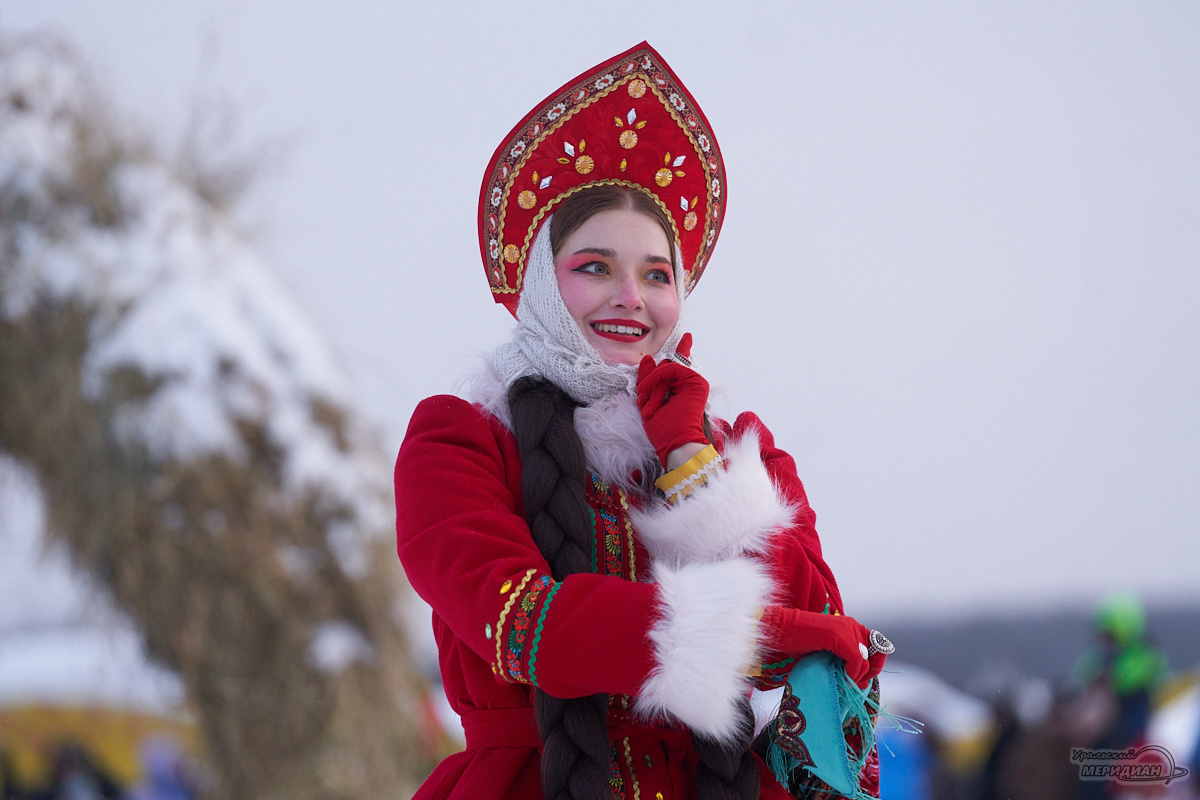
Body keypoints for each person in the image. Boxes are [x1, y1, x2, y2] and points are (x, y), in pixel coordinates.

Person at [395, 42, 889, 800]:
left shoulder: (741, 454)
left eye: (657, 274)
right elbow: (524, 625)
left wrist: (693, 463)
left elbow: (819, 624)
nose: (630, 296)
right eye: (594, 266)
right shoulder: (459, 440)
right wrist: (744, 634)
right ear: (538, 281)